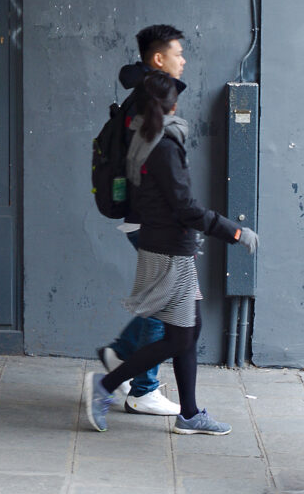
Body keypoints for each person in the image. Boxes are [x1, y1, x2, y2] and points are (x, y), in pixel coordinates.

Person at [85, 72, 258, 435]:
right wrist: (235, 231)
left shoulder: (141, 136)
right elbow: (186, 208)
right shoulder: (163, 146)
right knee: (179, 338)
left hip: (161, 244)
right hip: (170, 252)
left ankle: (190, 414)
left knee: (188, 333)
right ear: (172, 107)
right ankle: (106, 385)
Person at [99, 25, 188, 417]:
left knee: (162, 300)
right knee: (163, 304)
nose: (182, 60)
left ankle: (119, 355)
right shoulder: (148, 99)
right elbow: (149, 164)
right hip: (150, 220)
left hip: (146, 218)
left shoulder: (143, 92)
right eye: (177, 53)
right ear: (158, 59)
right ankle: (143, 388)